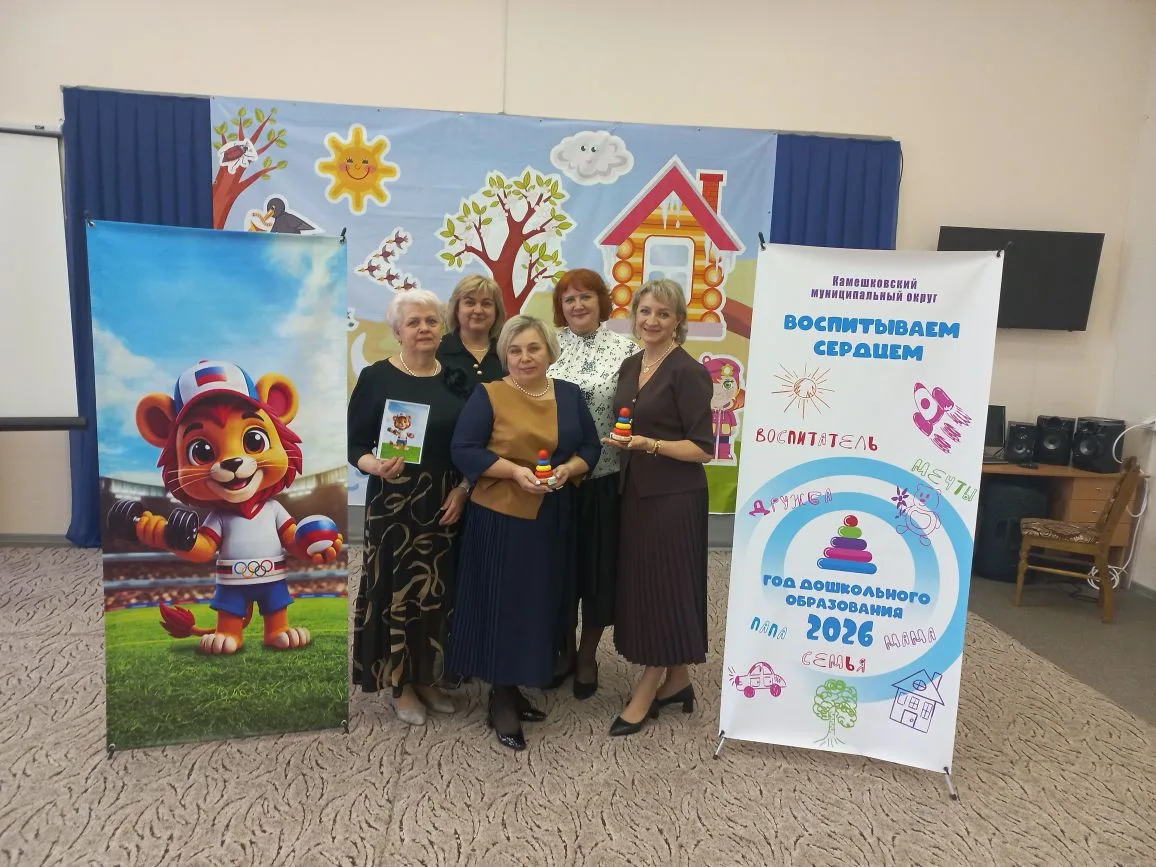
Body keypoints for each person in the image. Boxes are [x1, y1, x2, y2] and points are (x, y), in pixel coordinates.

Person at [449, 315, 601, 751]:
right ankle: (500, 696)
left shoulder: (569, 394)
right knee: (504, 605)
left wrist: (569, 469)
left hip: (553, 516)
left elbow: (590, 447)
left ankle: (517, 684)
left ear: (550, 352)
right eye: (514, 350)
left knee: (539, 603)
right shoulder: (489, 395)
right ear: (505, 357)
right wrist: (515, 472)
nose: (524, 357)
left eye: (533, 348)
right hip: (501, 517)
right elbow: (463, 450)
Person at [348, 290, 475, 726]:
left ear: (442, 328)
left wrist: (464, 488)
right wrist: (374, 465)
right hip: (393, 502)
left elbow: (472, 443)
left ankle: (427, 677)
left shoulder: (457, 377)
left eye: (431, 321)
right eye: (414, 322)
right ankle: (400, 685)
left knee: (436, 592)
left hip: (445, 501)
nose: (424, 328)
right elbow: (355, 444)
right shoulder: (377, 377)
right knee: (397, 590)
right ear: (397, 331)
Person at [601, 278, 714, 737]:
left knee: (667, 586)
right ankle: (678, 680)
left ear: (678, 322)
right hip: (635, 493)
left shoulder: (689, 372)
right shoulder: (631, 365)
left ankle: (649, 686)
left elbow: (702, 448)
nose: (652, 320)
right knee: (648, 586)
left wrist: (648, 444)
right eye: (645, 311)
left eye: (663, 314)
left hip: (674, 498)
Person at [545, 268, 637, 699]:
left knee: (598, 573)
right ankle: (562, 650)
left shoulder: (627, 351)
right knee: (559, 571)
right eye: (569, 299)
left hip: (604, 480)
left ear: (602, 302)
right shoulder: (545, 346)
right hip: (555, 480)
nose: (578, 305)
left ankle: (587, 655)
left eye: (586, 297)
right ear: (560, 308)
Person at [437, 274, 506, 384]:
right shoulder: (437, 351)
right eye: (470, 303)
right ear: (456, 309)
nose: (478, 310)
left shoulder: (508, 352)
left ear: (497, 311)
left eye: (486, 304)